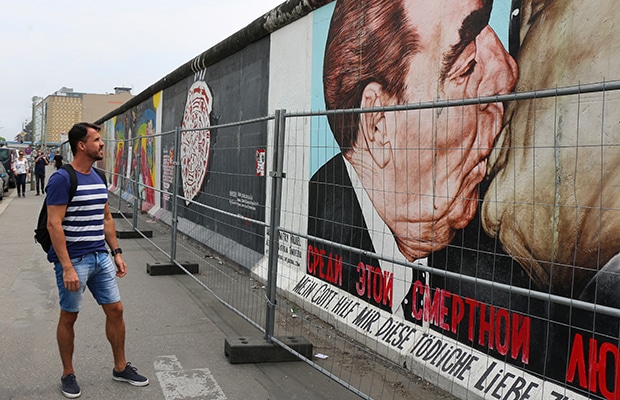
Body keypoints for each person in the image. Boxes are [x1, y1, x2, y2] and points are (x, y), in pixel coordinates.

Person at [308, 0, 518, 314]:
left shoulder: (501, 265)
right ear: (378, 123)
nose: (506, 74)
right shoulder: (320, 215)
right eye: (468, 65)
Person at [46, 122, 148, 398]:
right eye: (97, 140)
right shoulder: (62, 179)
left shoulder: (98, 176)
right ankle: (68, 374)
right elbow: (54, 225)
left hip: (100, 256)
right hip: (74, 260)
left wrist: (116, 252)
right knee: (69, 316)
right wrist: (66, 266)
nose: (102, 144)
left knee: (115, 310)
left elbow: (105, 217)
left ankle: (121, 367)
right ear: (82, 145)